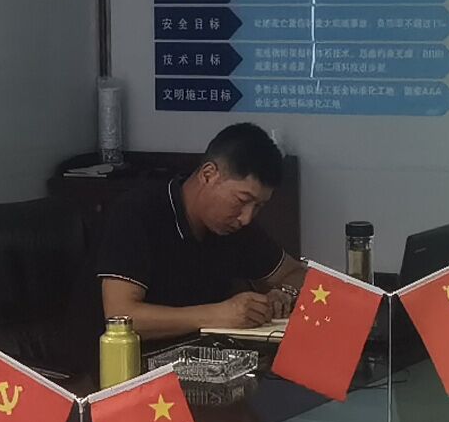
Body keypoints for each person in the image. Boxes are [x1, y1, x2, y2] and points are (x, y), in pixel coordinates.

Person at [93, 120, 303, 343]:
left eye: (258, 206)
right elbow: (120, 317)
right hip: (128, 359)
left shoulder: (235, 226)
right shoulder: (137, 212)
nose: (247, 217)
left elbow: (297, 273)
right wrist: (218, 315)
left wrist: (284, 292)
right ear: (208, 175)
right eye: (242, 200)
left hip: (207, 354)